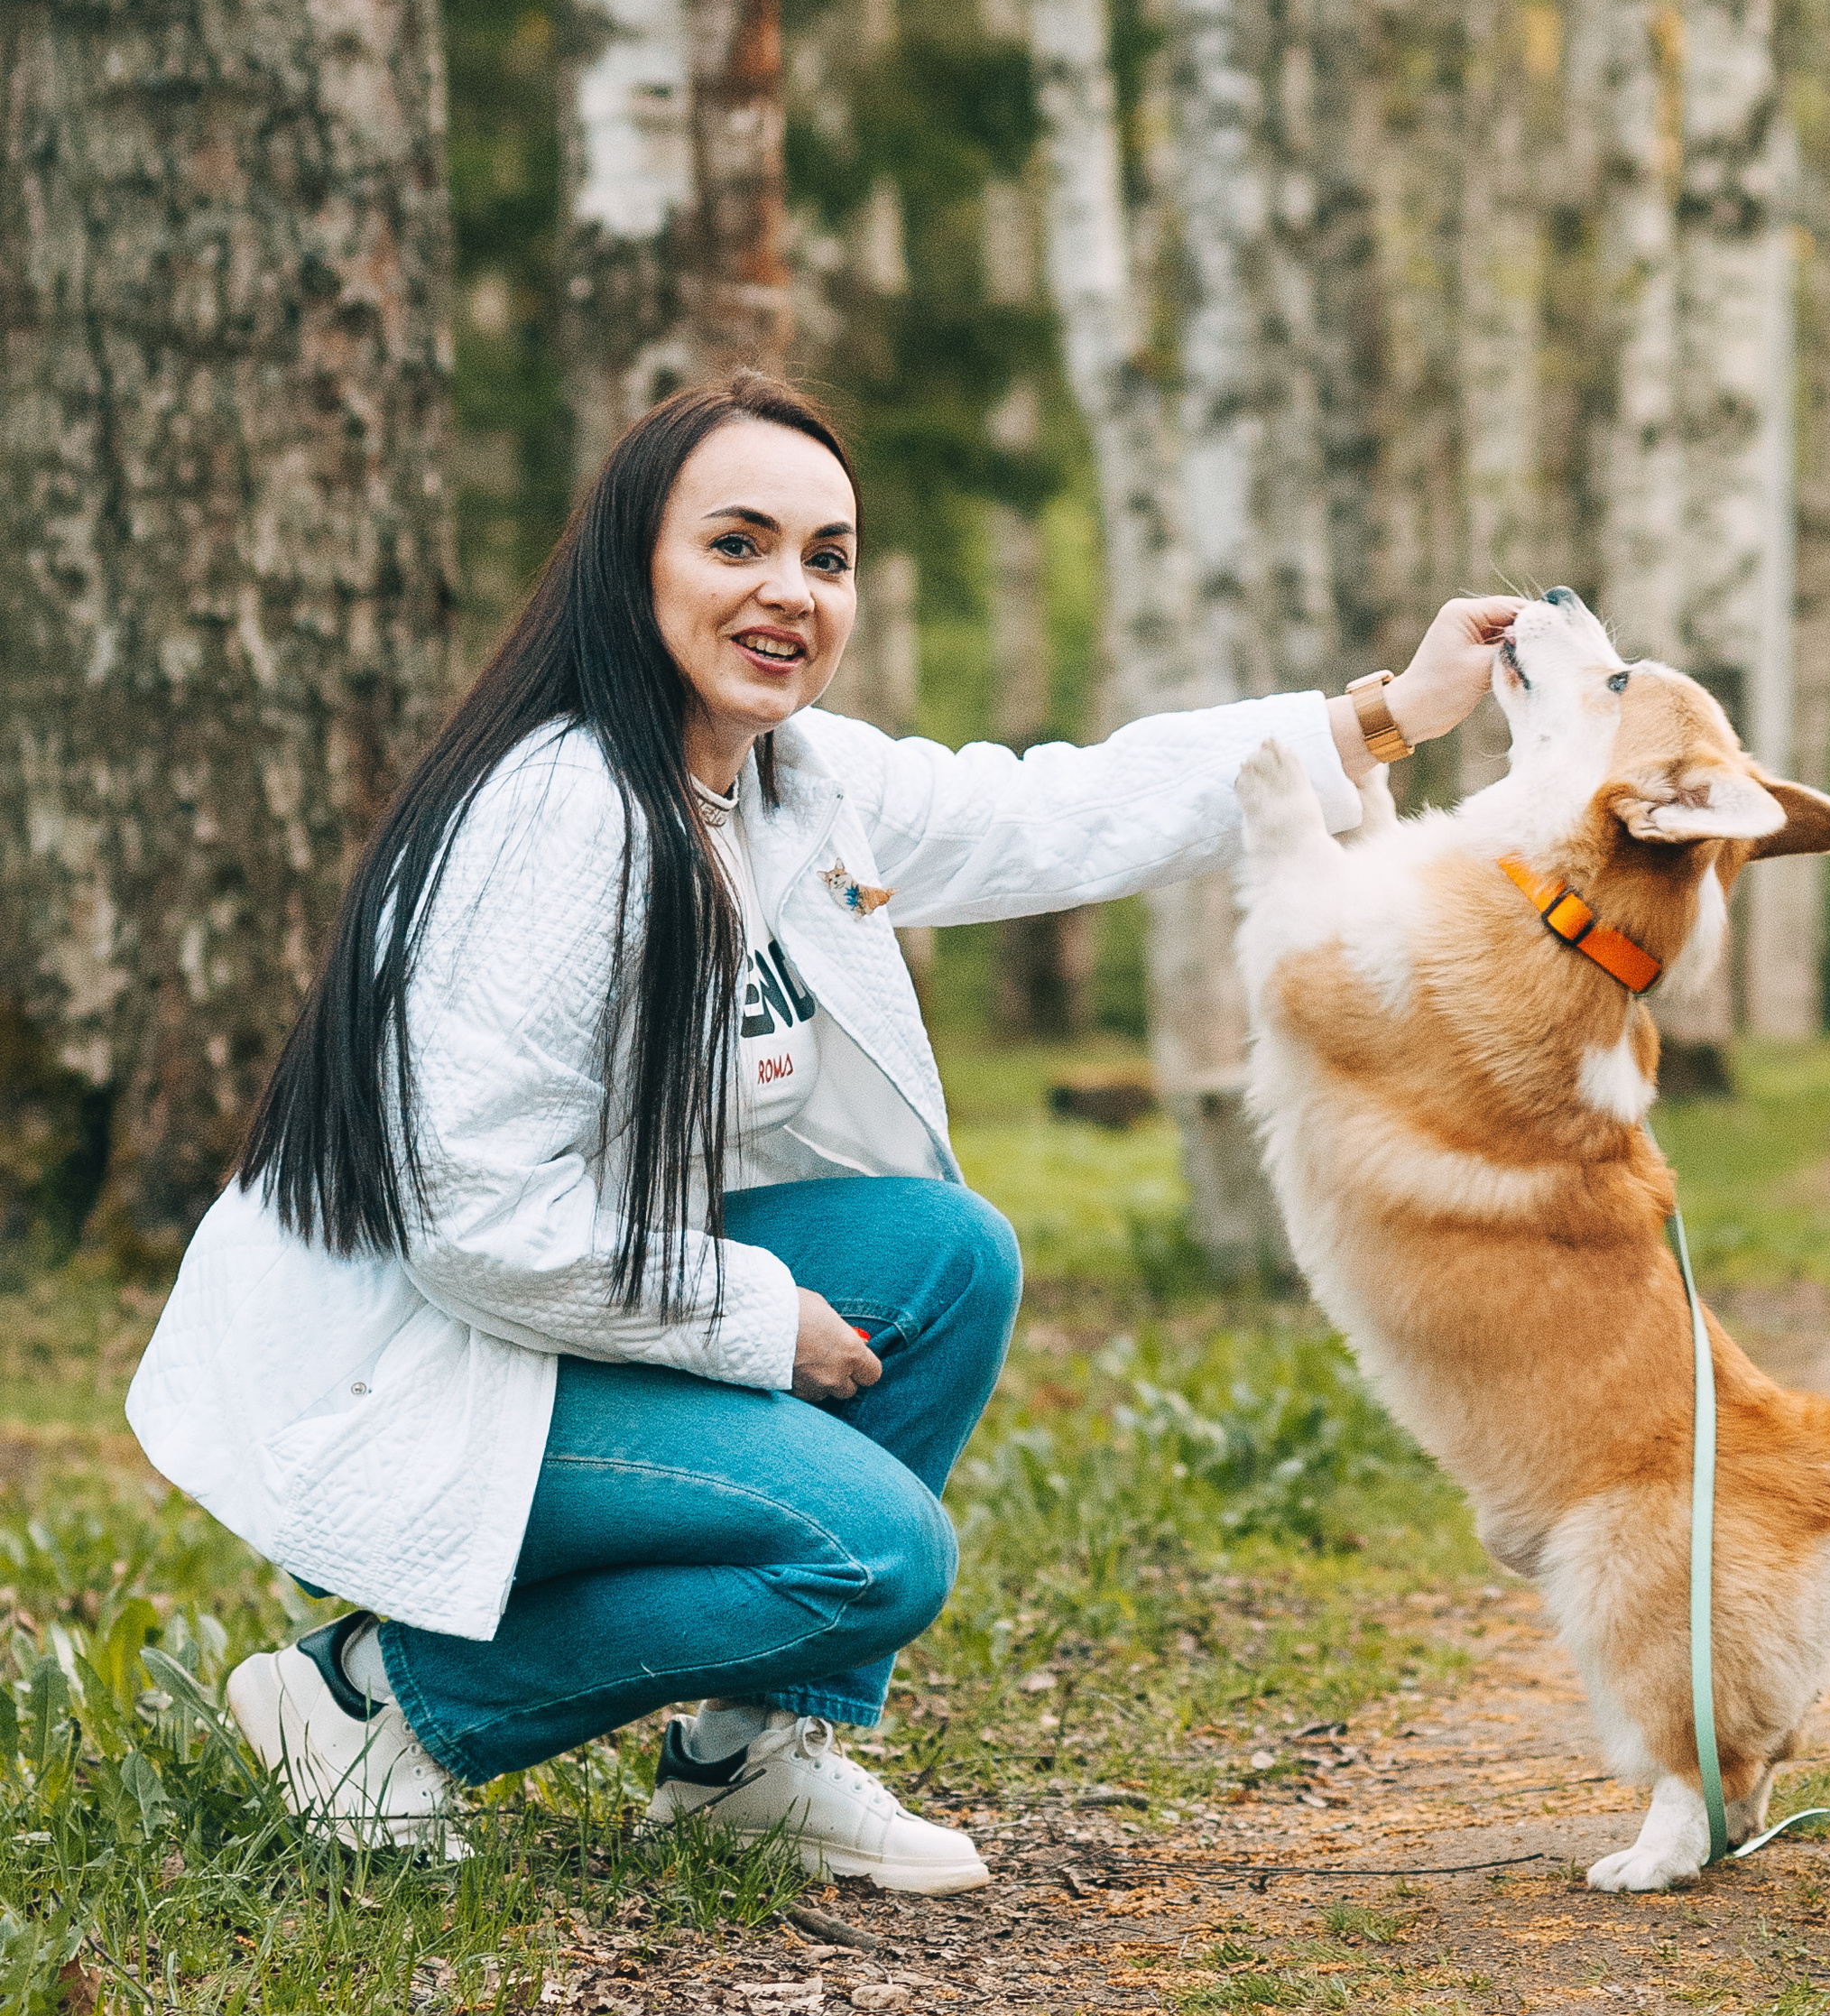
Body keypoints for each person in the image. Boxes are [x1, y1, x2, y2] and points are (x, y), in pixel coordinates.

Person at [126, 375, 1517, 1891]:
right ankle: (372, 1701)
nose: (790, 590)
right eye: (738, 543)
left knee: (948, 1257)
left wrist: (1393, 711)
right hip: (421, 1358)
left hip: (560, 1322)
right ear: (631, 562)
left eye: (828, 556)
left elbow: (1053, 808)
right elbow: (470, 1221)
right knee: (877, 1553)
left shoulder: (790, 779)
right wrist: (752, 1314)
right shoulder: (558, 819)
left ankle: (744, 1762)